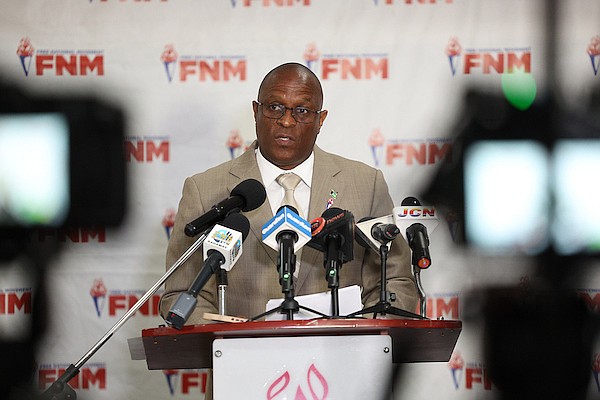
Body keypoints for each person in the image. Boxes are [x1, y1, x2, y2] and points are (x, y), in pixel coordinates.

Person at [159, 62, 418, 325]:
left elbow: (394, 280)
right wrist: (228, 342)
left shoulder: (365, 184)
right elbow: (181, 292)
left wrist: (365, 339)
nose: (285, 120)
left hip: (342, 358)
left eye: (302, 111)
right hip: (243, 360)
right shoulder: (205, 190)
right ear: (255, 111)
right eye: (274, 107)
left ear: (321, 120)